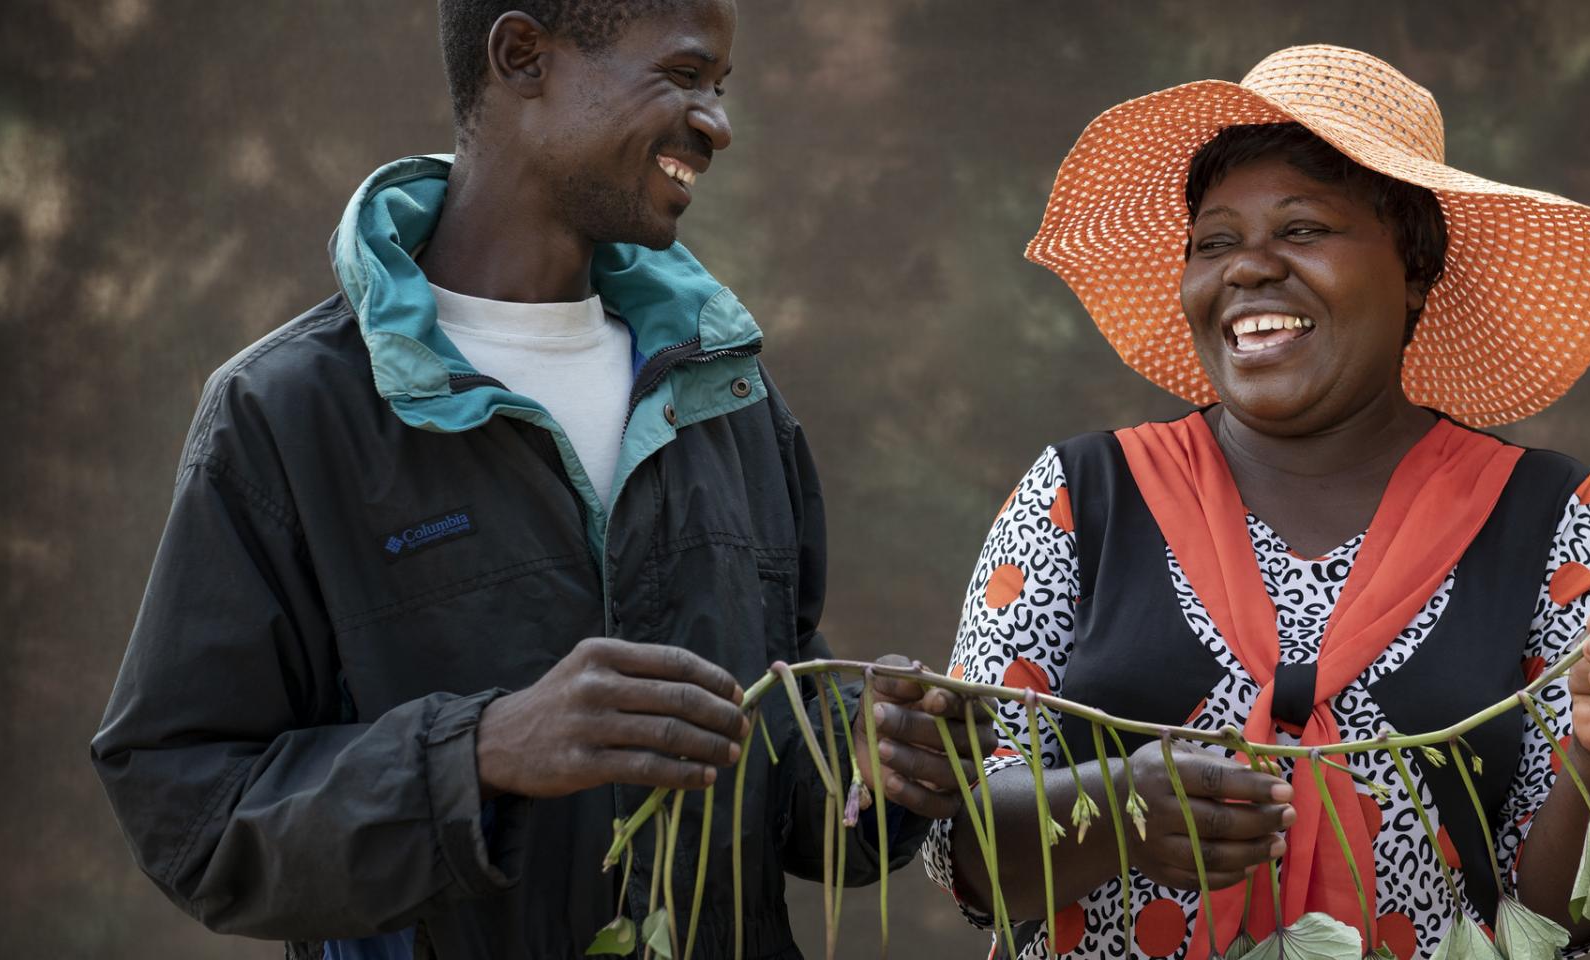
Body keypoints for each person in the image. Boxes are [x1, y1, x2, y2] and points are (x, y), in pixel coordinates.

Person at [89, 2, 986, 958]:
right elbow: (188, 807)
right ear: (524, 57)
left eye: (720, 89)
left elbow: (777, 770)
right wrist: (479, 755)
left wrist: (865, 761)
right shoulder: (286, 416)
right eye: (685, 76)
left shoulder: (728, 395)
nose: (717, 123)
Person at [922, 45, 1590, 960]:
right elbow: (963, 847)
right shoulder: (1081, 499)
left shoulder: (1547, 518)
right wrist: (1122, 810)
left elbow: (1573, 918)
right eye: (1215, 242)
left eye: (1302, 231)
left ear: (1416, 268)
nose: (1248, 269)